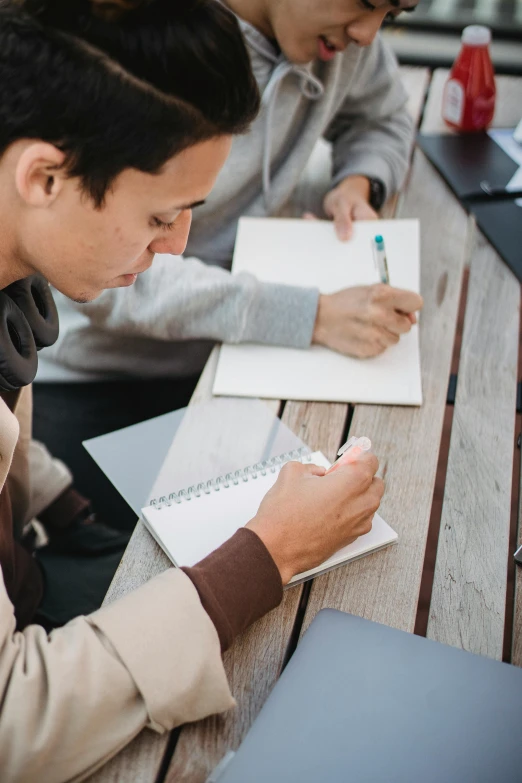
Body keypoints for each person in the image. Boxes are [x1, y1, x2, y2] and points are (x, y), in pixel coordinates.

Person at [0, 3, 384, 781]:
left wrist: (55, 503)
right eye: (161, 215)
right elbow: (11, 723)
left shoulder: (16, 269)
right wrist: (268, 554)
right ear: (43, 176)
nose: (176, 247)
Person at [33, 0, 424, 525]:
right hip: (96, 376)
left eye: (392, 15)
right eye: (367, 2)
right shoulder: (151, 43)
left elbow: (383, 114)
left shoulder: (339, 41)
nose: (369, 33)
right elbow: (106, 276)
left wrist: (360, 180)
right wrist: (311, 315)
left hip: (231, 351)